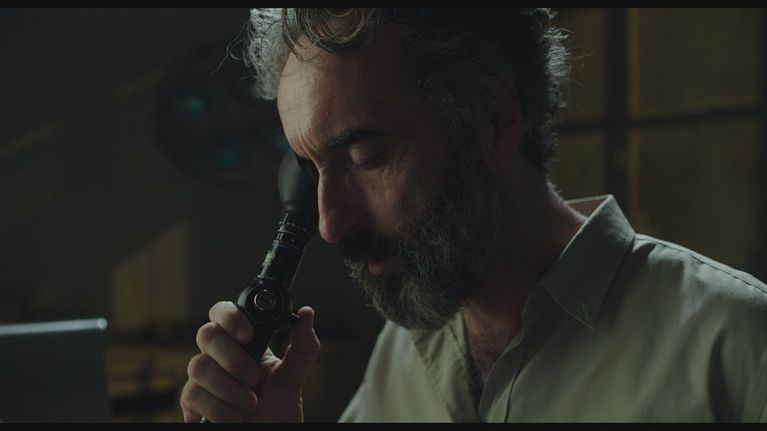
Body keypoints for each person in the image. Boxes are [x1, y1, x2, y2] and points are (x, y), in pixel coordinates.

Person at [179, 8, 767, 422]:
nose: (329, 224)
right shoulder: (403, 353)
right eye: (311, 170)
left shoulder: (739, 345)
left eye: (365, 157)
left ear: (495, 118)